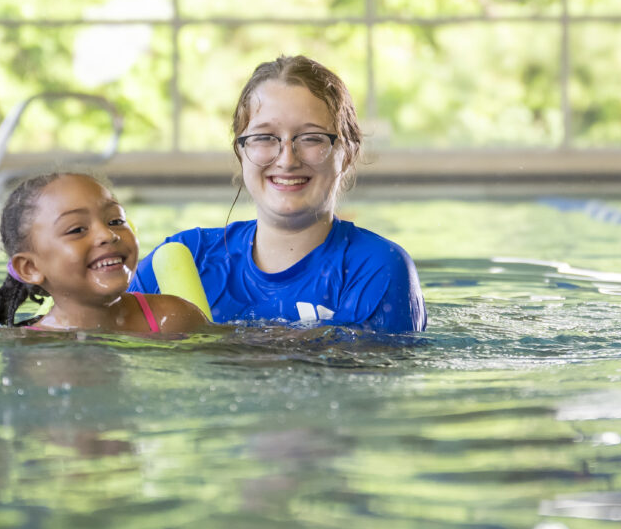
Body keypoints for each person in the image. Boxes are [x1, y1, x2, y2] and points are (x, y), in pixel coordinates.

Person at [130, 54, 426, 333]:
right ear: (241, 151)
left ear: (347, 153)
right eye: (264, 137)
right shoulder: (188, 257)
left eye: (311, 138)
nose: (287, 159)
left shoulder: (376, 267)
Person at [0, 172, 209, 334]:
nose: (107, 234)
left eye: (116, 220)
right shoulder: (31, 349)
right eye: (77, 229)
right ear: (30, 268)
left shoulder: (172, 318)